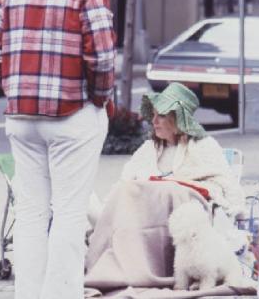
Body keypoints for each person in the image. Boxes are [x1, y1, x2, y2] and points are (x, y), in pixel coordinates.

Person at [0, 0, 116, 299]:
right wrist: (98, 99)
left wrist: (16, 90)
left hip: (22, 119)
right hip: (72, 115)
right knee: (70, 213)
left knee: (31, 212)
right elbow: (103, 60)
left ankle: (28, 293)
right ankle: (61, 294)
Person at [85, 83, 249, 294]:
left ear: (177, 118)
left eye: (160, 116)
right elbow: (125, 183)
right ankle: (127, 267)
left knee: (171, 191)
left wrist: (235, 208)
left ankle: (148, 271)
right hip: (145, 212)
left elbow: (224, 183)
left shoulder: (204, 146)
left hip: (184, 210)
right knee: (126, 191)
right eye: (152, 116)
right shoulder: (148, 149)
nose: (153, 122)